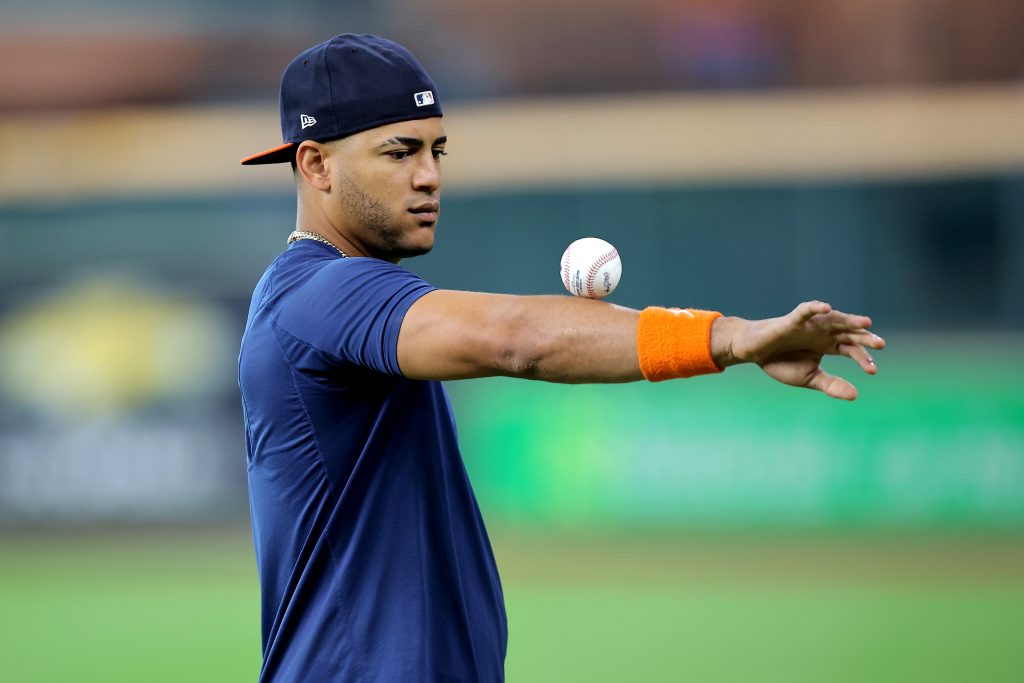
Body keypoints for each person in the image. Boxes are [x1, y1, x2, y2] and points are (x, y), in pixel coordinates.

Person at [237, 33, 885, 683]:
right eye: (400, 151)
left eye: (437, 149)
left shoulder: (338, 297)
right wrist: (732, 338)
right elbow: (518, 338)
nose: (430, 174)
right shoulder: (317, 293)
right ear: (316, 165)